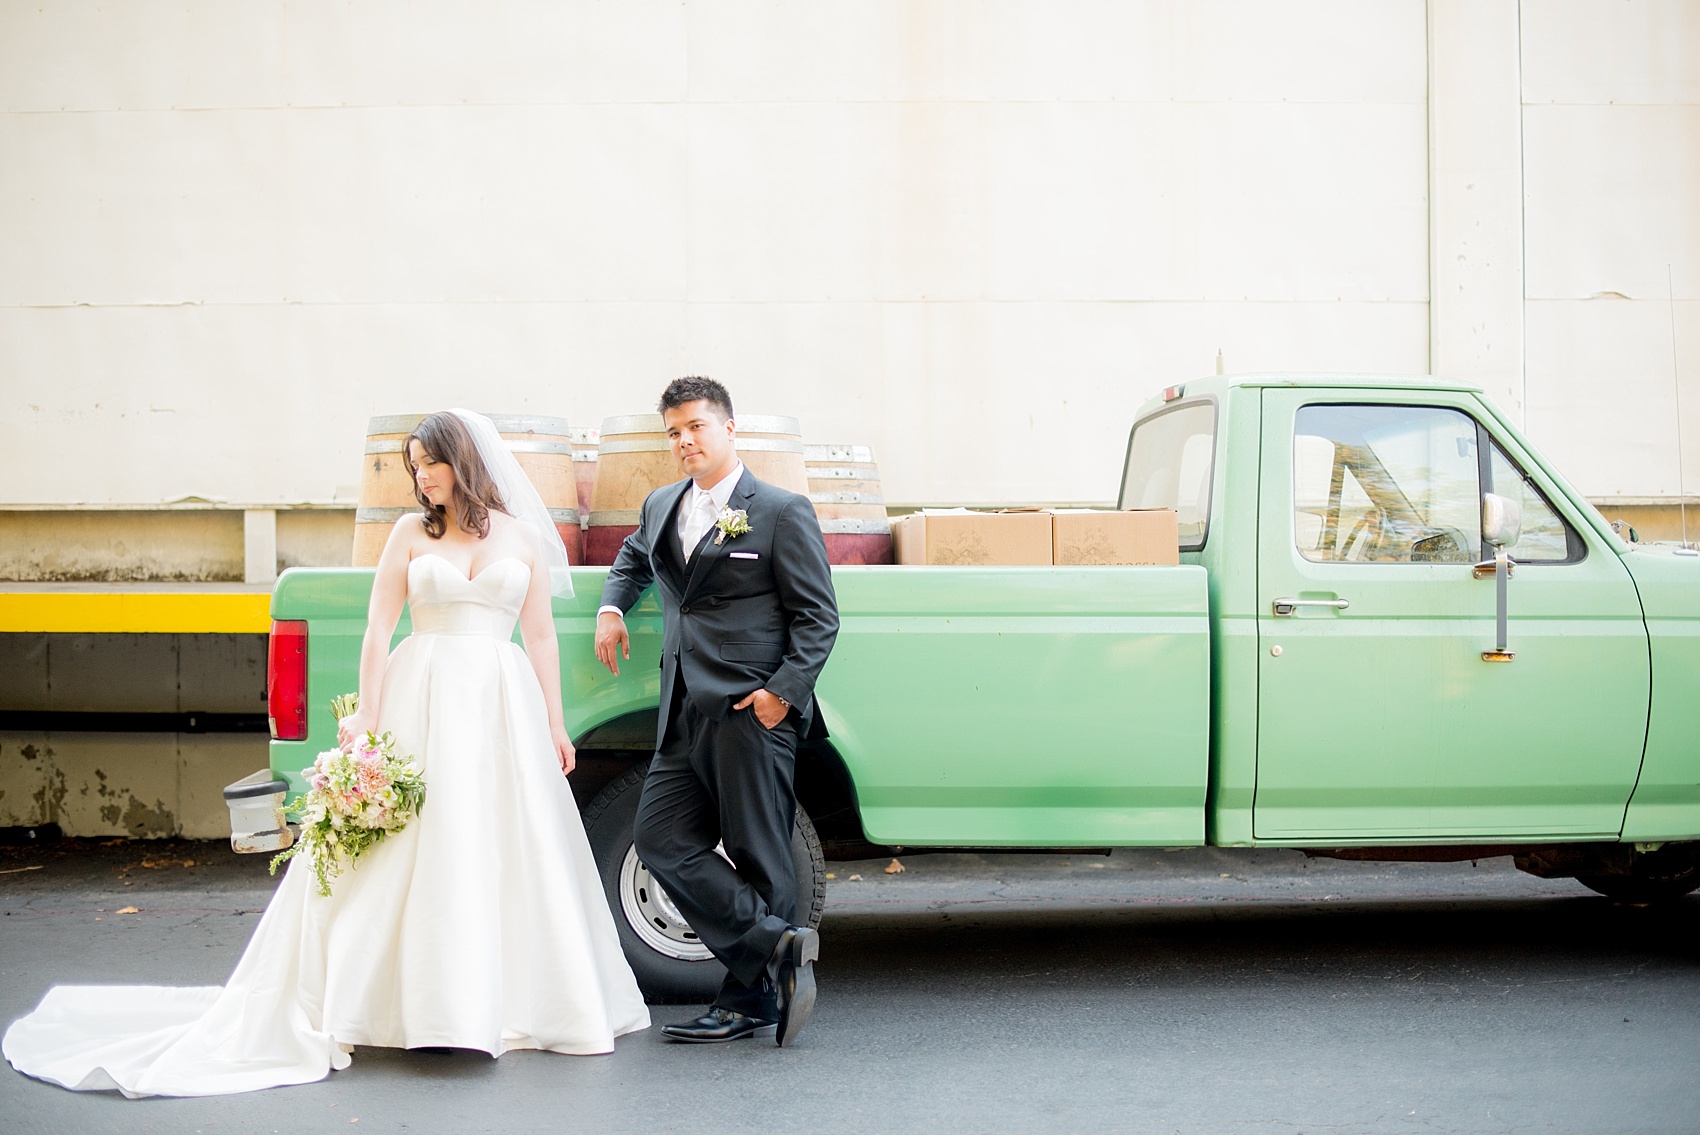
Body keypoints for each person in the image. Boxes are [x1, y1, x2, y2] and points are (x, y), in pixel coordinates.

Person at [4, 409, 648, 1097]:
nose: (420, 477)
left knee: (498, 843)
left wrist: (555, 721)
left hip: (499, 698)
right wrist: (368, 714)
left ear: (460, 462)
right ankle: (397, 1000)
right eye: (413, 466)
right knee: (407, 844)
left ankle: (503, 999)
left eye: (428, 463)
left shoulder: (520, 536)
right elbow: (378, 629)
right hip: (421, 694)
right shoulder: (407, 533)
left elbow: (541, 637)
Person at [596, 377, 839, 1046]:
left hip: (750, 710)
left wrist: (779, 693)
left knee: (763, 855)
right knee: (661, 838)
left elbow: (819, 616)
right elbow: (633, 556)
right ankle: (779, 944)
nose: (684, 441)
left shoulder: (781, 511)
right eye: (674, 431)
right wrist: (612, 606)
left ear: (729, 429)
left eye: (697, 426)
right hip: (682, 708)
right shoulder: (661, 504)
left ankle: (747, 1000)